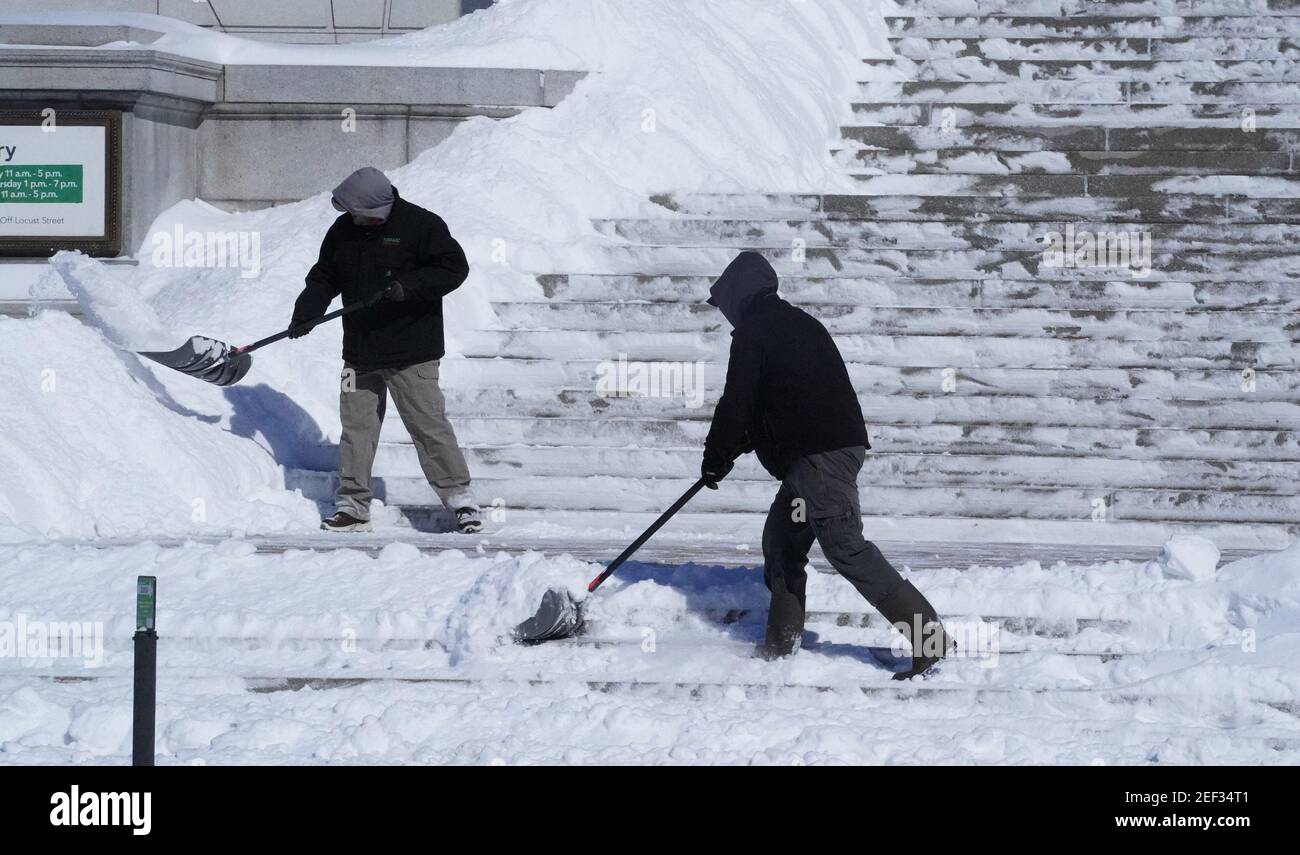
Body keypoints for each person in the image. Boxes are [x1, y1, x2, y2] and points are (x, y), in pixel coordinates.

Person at [700, 251, 954, 679]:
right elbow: (790, 396)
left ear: (738, 296)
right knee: (781, 544)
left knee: (846, 548)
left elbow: (738, 403)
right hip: (821, 454)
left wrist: (715, 455)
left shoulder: (754, 332)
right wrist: (745, 440)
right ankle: (781, 647)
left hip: (819, 459)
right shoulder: (798, 323)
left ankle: (931, 641)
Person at [290, 166, 481, 534]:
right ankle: (352, 506)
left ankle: (460, 499)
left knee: (428, 426)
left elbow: (454, 269)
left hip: (413, 351)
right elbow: (324, 276)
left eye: (356, 211)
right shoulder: (343, 230)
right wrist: (307, 311)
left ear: (374, 207)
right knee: (356, 429)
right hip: (359, 352)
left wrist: (407, 287)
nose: (351, 217)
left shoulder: (421, 226)